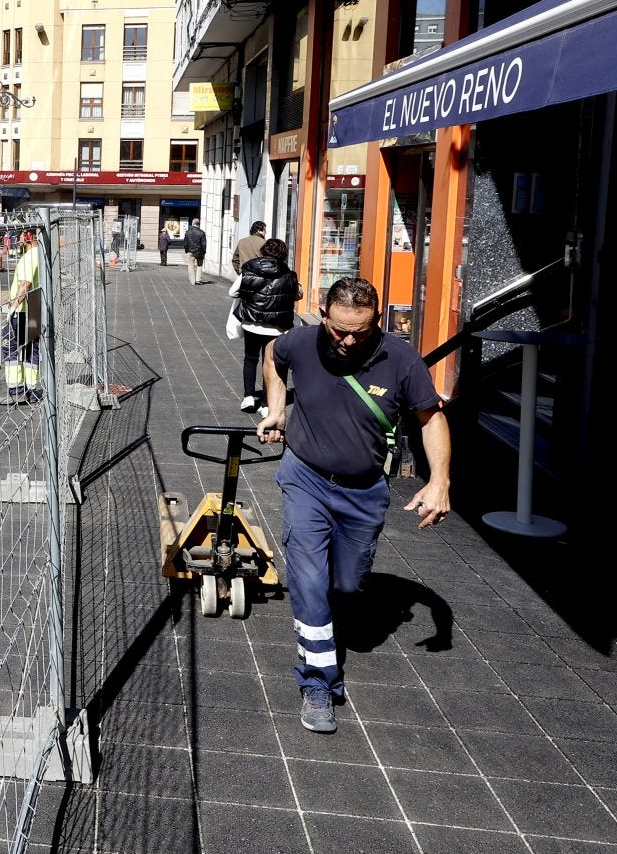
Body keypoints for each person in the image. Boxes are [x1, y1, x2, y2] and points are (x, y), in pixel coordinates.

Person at [255, 277, 451, 735]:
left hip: (363, 491)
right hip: (304, 477)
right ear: (323, 314)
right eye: (339, 330)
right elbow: (272, 357)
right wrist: (277, 407)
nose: (347, 341)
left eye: (359, 332)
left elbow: (431, 418)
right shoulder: (302, 341)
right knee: (307, 577)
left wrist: (439, 479)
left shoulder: (400, 360)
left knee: (345, 585)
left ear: (376, 321)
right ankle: (319, 683)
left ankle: (334, 607)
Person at [228, 237, 302, 413]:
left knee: (250, 358)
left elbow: (232, 292)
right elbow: (299, 294)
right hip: (276, 327)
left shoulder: (250, 269)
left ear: (264, 251)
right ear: (283, 254)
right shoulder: (289, 274)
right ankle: (266, 404)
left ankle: (248, 397)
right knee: (271, 363)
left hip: (251, 323)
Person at [3, 227, 43, 404]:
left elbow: (25, 284)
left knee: (9, 346)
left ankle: (16, 389)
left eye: (19, 235)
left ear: (28, 236)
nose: (18, 239)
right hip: (35, 308)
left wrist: (12, 308)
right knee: (31, 350)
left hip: (22, 311)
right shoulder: (42, 255)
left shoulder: (29, 257)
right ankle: (32, 391)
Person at [183, 219, 208, 285]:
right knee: (199, 265)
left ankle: (192, 281)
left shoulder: (188, 232)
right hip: (199, 251)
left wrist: (186, 250)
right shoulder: (201, 232)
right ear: (198, 224)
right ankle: (198, 280)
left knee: (191, 266)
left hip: (190, 251)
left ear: (192, 223)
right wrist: (204, 252)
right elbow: (203, 244)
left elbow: (185, 243)